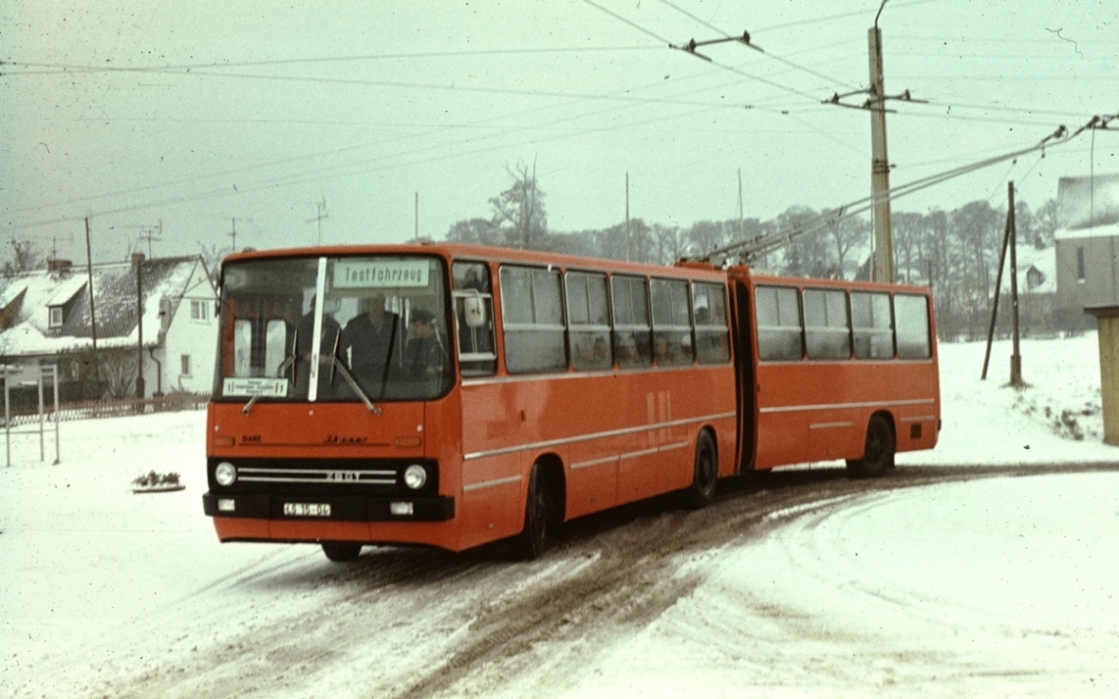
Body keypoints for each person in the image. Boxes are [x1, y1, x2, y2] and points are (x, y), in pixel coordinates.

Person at [340, 293, 398, 387]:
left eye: (381, 302)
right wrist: (346, 371)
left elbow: (404, 348)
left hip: (390, 376)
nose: (377, 305)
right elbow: (340, 347)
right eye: (374, 301)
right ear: (367, 303)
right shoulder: (356, 324)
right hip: (362, 377)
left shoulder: (395, 321)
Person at [295, 295, 340, 396]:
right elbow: (296, 349)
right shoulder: (302, 323)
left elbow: (340, 352)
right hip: (305, 377)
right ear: (312, 306)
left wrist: (334, 360)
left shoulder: (334, 326)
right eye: (318, 305)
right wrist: (315, 357)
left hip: (329, 379)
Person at [403, 308, 445, 384]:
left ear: (427, 325)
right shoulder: (412, 344)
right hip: (417, 385)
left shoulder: (443, 342)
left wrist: (440, 369)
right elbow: (408, 368)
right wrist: (424, 370)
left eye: (416, 326)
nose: (413, 329)